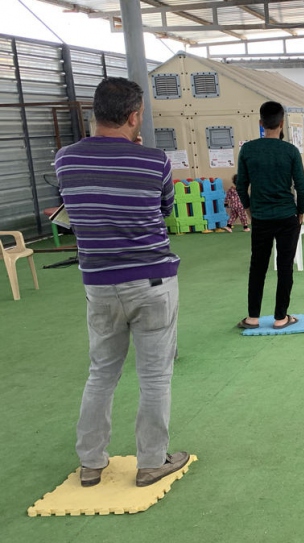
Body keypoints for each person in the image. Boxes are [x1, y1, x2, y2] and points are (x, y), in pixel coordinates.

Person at [55, 77, 189, 488]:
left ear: (96, 113)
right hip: (151, 280)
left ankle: (91, 463)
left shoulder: (65, 160)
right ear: (134, 116)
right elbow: (166, 207)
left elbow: (74, 211)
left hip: (98, 282)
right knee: (154, 376)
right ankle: (151, 461)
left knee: (101, 372)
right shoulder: (155, 160)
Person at [236, 101, 304, 331]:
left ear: (261, 123)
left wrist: (248, 209)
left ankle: (253, 317)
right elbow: (302, 187)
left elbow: (241, 185)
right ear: (282, 123)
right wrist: (300, 212)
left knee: (257, 266)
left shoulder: (248, 149)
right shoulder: (290, 151)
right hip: (287, 215)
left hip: (260, 217)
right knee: (285, 266)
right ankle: (280, 317)